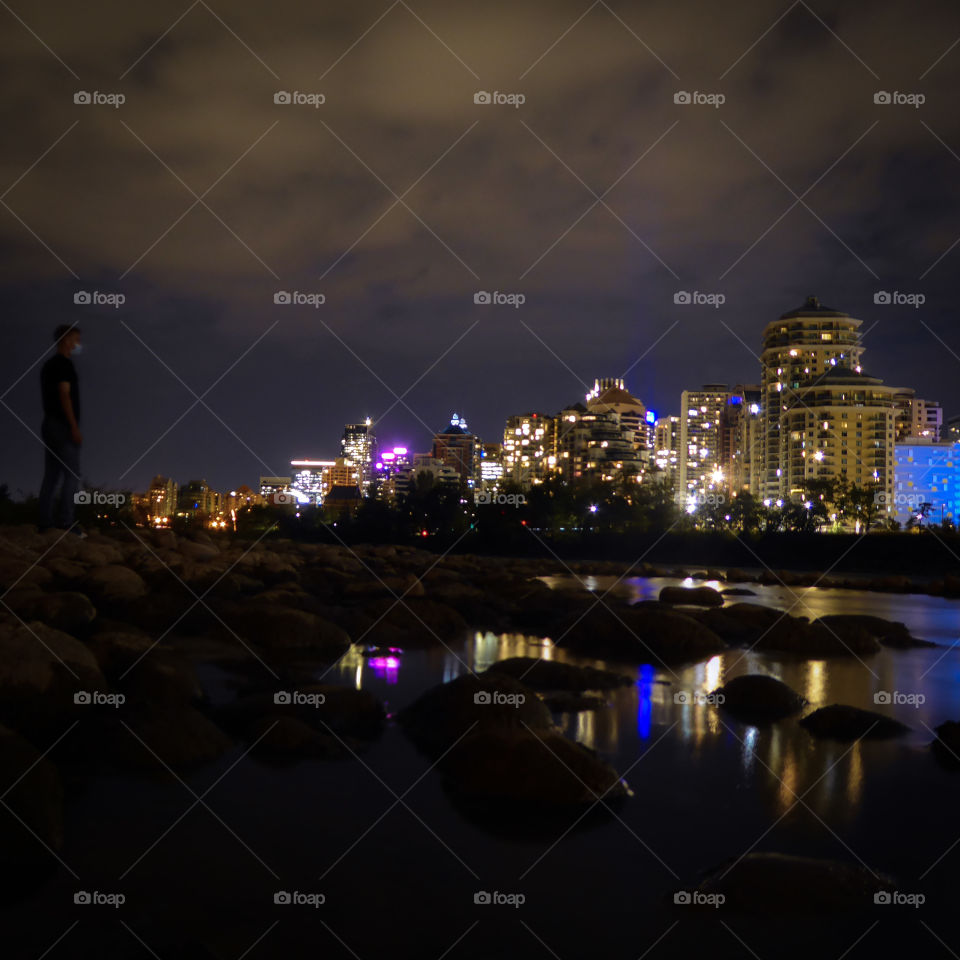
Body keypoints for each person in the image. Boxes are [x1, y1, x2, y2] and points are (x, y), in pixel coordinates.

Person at [38, 324, 85, 534]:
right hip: (62, 427)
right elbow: (64, 395)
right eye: (76, 339)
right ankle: (66, 522)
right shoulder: (64, 365)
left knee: (51, 475)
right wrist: (73, 426)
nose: (78, 344)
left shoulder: (48, 365)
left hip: (49, 425)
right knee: (72, 474)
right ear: (66, 340)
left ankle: (45, 523)